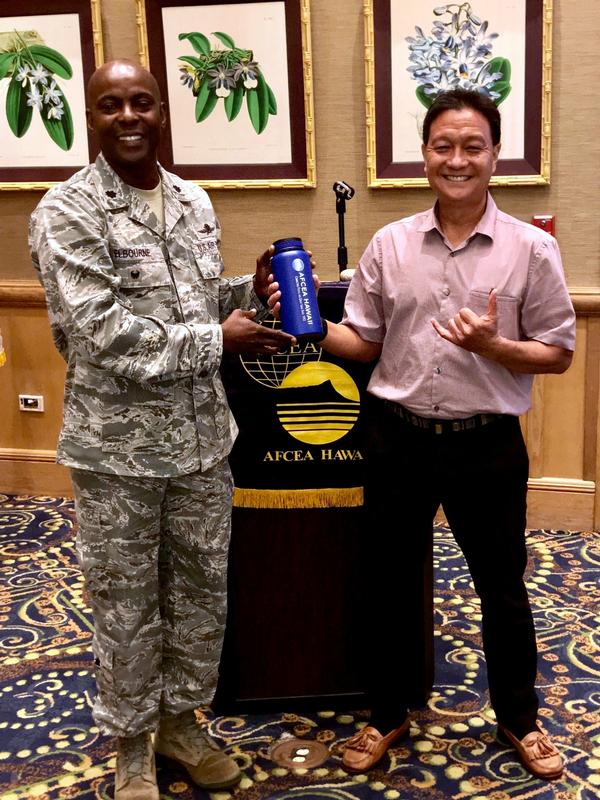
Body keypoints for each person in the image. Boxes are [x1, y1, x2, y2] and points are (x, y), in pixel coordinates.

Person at [270, 88, 575, 780]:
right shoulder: (390, 243)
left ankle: (520, 719)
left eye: (472, 146)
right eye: (443, 146)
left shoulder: (532, 250)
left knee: (502, 585)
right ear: (425, 154)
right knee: (391, 582)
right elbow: (364, 342)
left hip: (487, 444)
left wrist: (497, 348)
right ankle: (388, 712)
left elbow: (558, 351)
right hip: (396, 437)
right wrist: (304, 324)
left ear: (496, 155)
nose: (457, 160)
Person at [29, 59, 295, 800]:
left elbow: (195, 299)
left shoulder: (192, 201)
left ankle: (182, 724)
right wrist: (220, 339)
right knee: (125, 604)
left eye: (141, 102)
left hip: (202, 443)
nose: (128, 116)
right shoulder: (67, 211)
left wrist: (252, 288)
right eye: (110, 104)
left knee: (201, 596)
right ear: (93, 118)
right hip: (117, 453)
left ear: (162, 112)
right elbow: (100, 332)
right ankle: (132, 746)